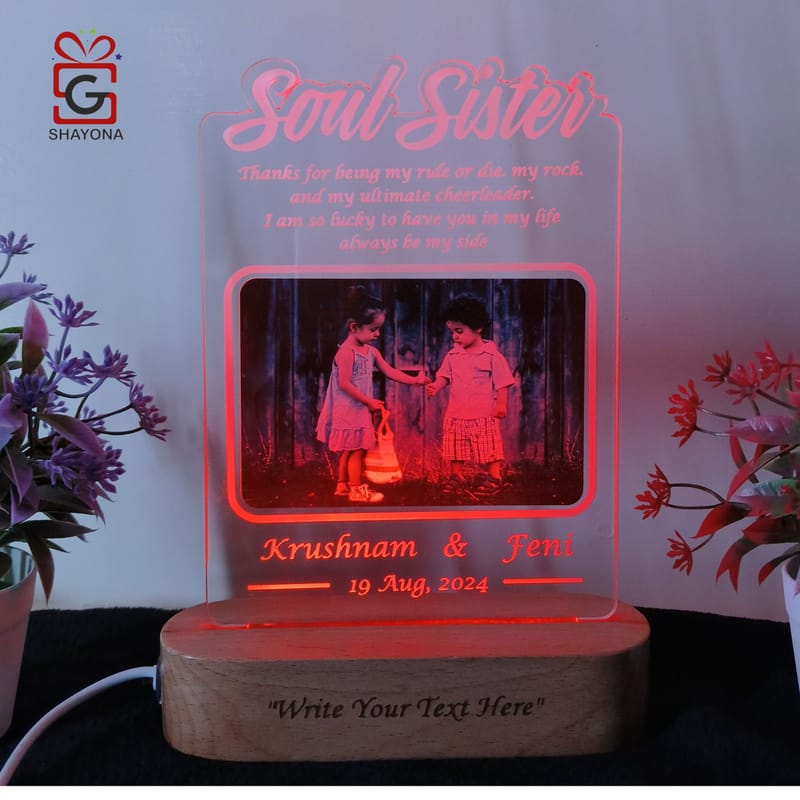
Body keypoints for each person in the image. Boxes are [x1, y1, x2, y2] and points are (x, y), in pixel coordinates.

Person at [316, 286, 429, 503]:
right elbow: (344, 384)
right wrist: (368, 401)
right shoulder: (346, 353)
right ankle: (356, 489)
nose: (377, 334)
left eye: (379, 329)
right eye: (373, 329)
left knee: (349, 449)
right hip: (348, 408)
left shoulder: (371, 352)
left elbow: (391, 372)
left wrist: (415, 380)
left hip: (358, 407)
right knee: (356, 449)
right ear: (354, 327)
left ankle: (342, 486)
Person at [425, 294, 515, 495]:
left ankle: (494, 478)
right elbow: (444, 375)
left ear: (478, 328)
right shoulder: (453, 355)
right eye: (452, 332)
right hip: (456, 413)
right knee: (455, 447)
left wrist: (501, 404)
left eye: (459, 331)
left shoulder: (491, 356)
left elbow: (503, 382)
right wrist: (436, 386)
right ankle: (456, 477)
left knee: (489, 447)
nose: (455, 337)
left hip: (483, 414)